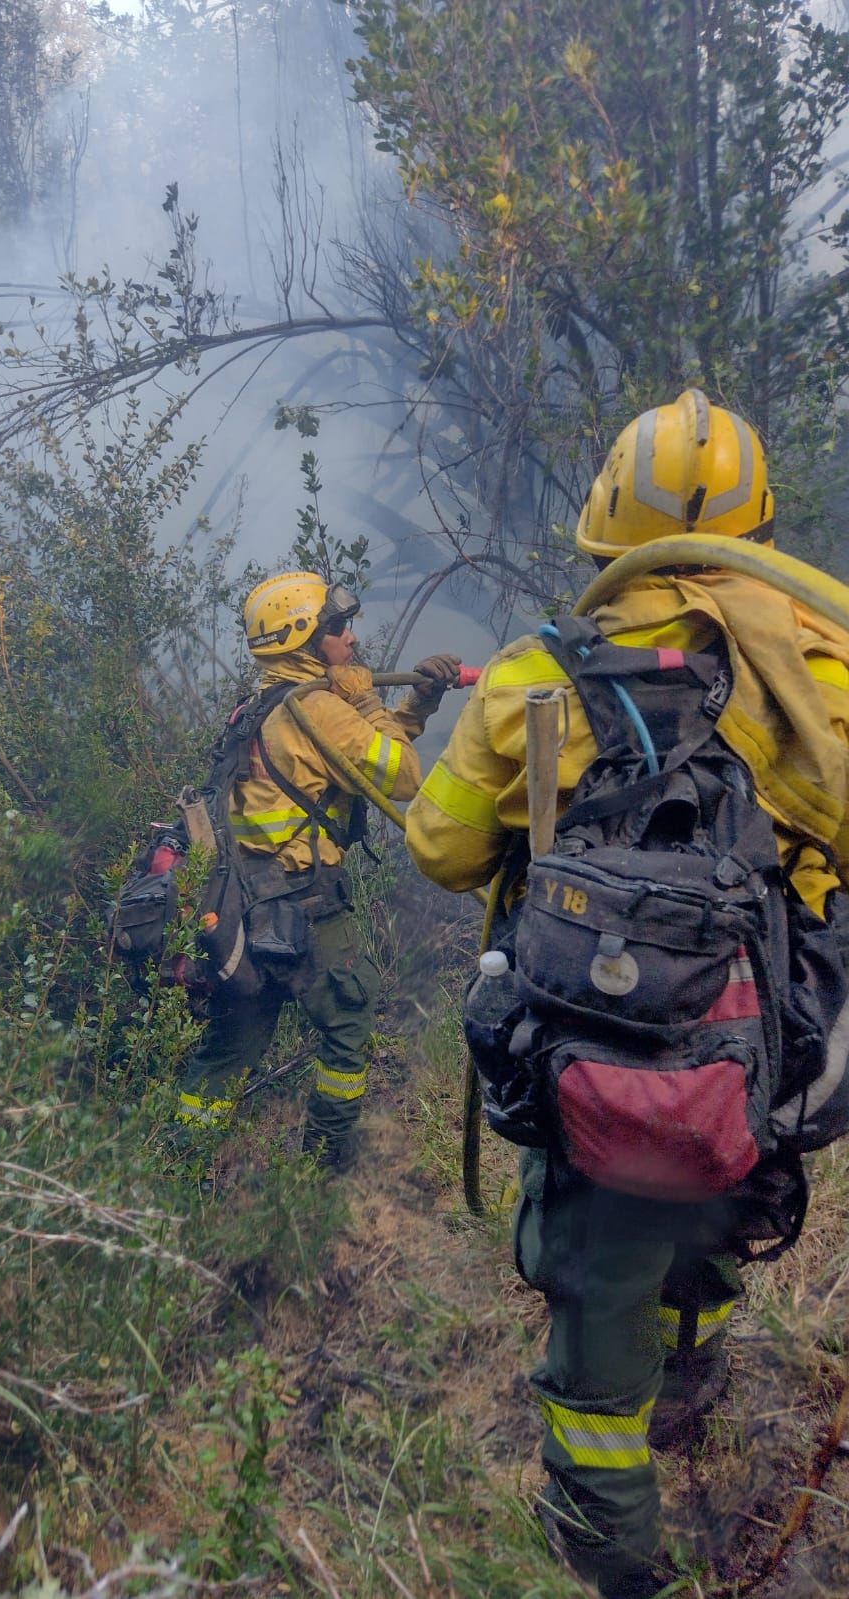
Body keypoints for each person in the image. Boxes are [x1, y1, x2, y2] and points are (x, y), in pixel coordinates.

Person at [404, 390, 849, 1599]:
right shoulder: (817, 663)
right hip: (760, 1048)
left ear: (609, 520)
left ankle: (609, 1551)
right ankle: (689, 1388)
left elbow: (441, 852)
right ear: (759, 520)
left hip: (585, 1045)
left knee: (601, 1279)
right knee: (710, 1215)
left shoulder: (535, 670)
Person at [174, 570, 460, 1171]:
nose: (350, 639)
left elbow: (359, 758)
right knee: (350, 1023)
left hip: (245, 910)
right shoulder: (319, 707)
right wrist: (362, 698)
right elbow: (401, 776)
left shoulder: (263, 707)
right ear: (304, 641)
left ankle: (175, 1166)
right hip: (305, 906)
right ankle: (321, 1168)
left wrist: (419, 703)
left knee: (232, 1048)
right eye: (336, 628)